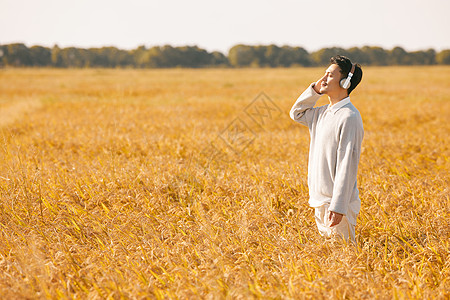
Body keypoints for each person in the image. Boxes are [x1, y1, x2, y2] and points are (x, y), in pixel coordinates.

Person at [289, 55, 364, 242]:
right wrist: (315, 90)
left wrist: (338, 207)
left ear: (345, 82)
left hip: (337, 205)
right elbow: (296, 113)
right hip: (319, 201)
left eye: (329, 75)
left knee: (344, 260)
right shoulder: (321, 113)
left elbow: (347, 165)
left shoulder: (349, 117)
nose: (322, 79)